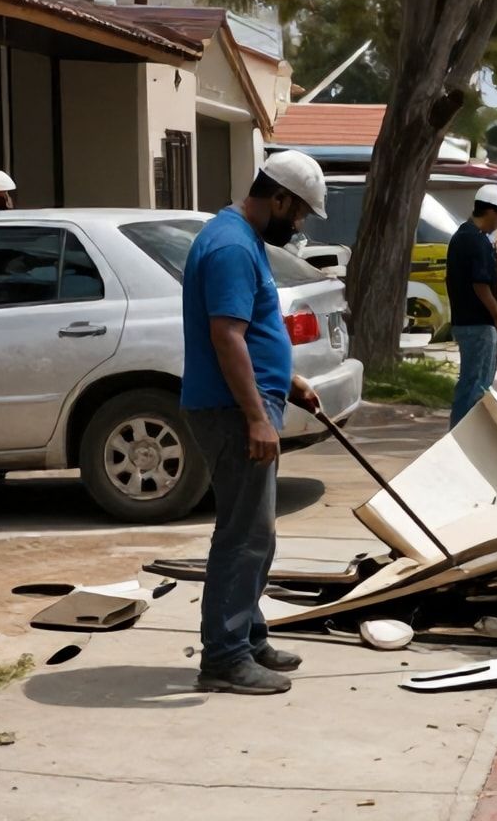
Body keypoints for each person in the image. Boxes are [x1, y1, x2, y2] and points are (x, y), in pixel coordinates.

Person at [180, 151, 327, 695]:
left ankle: (246, 636)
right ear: (279, 198)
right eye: (300, 212)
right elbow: (227, 336)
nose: (300, 224)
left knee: (257, 533)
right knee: (243, 535)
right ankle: (223, 657)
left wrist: (289, 381)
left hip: (246, 403)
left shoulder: (242, 239)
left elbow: (254, 329)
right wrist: (255, 418)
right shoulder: (231, 246)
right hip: (231, 410)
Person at [447, 183, 497, 425]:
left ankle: (465, 434)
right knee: (475, 385)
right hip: (477, 324)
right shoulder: (474, 240)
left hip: (469, 323)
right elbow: (480, 285)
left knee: (476, 383)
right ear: (492, 211)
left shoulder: (465, 236)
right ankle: (461, 435)